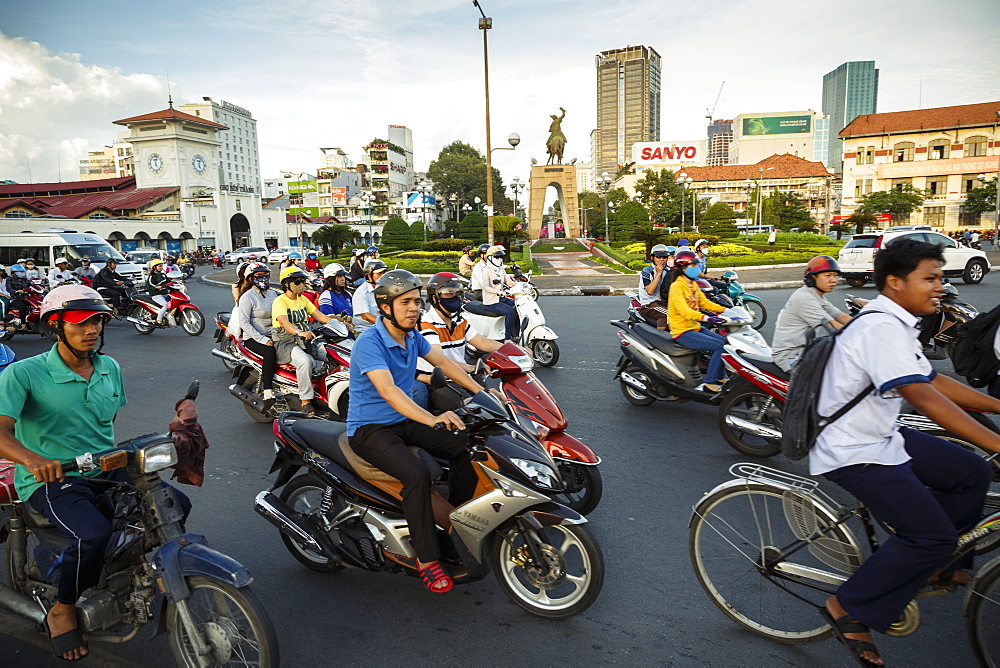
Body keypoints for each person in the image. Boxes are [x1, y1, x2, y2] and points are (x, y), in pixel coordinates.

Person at [811, 237, 1000, 667]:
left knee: (971, 472)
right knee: (931, 534)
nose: (940, 286)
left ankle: (940, 563)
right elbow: (926, 400)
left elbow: (931, 380)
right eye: (930, 278)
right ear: (895, 282)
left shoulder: (896, 323)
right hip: (852, 448)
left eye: (940, 277)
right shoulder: (879, 327)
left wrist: (998, 407)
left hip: (881, 434)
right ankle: (847, 607)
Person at [0, 284, 191, 661]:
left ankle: (126, 568)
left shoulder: (109, 367)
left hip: (102, 468)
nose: (92, 330)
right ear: (55, 327)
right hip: (50, 478)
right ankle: (63, 609)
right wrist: (34, 460)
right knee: (93, 535)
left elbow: (105, 421)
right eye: (80, 323)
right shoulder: (24, 373)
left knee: (175, 505)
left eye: (98, 322)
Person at [347, 269, 484, 593]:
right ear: (385, 306)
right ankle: (427, 557)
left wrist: (483, 394)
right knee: (416, 475)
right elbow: (389, 392)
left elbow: (446, 365)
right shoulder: (370, 342)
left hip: (404, 420)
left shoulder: (412, 337)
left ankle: (458, 522)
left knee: (466, 443)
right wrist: (432, 419)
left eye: (416, 301)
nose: (414, 308)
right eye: (405, 302)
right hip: (370, 428)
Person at [411, 273, 502, 410]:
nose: (455, 297)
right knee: (474, 410)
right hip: (440, 382)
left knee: (499, 402)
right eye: (448, 293)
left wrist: (513, 348)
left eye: (458, 292)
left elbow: (482, 342)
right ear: (435, 298)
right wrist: (470, 367)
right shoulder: (426, 324)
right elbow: (439, 361)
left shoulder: (459, 321)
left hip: (463, 377)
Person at [271, 266, 335, 415]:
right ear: (286, 284)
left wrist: (340, 324)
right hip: (286, 342)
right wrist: (300, 332)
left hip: (305, 340)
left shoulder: (302, 299)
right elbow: (283, 322)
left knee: (332, 353)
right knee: (306, 362)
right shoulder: (280, 301)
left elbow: (320, 316)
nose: (302, 285)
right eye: (297, 282)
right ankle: (305, 401)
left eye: (303, 281)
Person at [771, 256, 852, 372]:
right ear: (813, 277)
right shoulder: (804, 298)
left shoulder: (818, 297)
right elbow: (833, 326)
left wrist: (865, 327)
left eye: (835, 275)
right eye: (828, 276)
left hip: (805, 350)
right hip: (791, 355)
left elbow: (841, 316)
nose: (833, 280)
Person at [666, 249, 727, 393]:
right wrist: (706, 317)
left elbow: (705, 303)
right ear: (683, 268)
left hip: (694, 327)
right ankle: (709, 382)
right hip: (682, 331)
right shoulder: (676, 286)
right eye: (693, 266)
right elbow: (684, 310)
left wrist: (726, 310)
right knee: (719, 346)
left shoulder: (692, 284)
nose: (696, 268)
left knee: (727, 343)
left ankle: (719, 377)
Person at [236, 263, 278, 403]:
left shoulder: (272, 293)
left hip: (274, 334)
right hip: (254, 338)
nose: (263, 279)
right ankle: (267, 391)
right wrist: (262, 339)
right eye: (259, 276)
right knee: (270, 351)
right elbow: (244, 323)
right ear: (250, 279)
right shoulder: (247, 297)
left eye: (266, 276)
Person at [471, 245, 519, 342]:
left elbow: (508, 280)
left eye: (500, 257)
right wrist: (498, 291)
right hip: (486, 295)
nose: (499, 259)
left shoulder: (499, 268)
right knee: (510, 311)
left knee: (518, 306)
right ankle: (507, 338)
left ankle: (516, 334)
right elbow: (486, 286)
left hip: (498, 295)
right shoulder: (482, 269)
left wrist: (520, 286)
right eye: (497, 257)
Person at [636, 244, 672, 330]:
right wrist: (658, 273)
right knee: (668, 314)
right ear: (652, 258)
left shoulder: (667, 271)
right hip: (649, 304)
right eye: (658, 257)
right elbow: (650, 291)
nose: (661, 260)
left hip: (663, 302)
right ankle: (659, 339)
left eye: (664, 257)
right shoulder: (647, 271)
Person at [352, 259, 388, 333]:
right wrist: (386, 325)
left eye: (384, 273)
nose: (383, 276)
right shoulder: (361, 293)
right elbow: (366, 316)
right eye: (379, 273)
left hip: (382, 328)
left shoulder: (385, 290)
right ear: (369, 276)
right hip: (365, 330)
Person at [4, 264, 33, 331]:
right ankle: (23, 324)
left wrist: (41, 289)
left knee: (33, 307)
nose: (22, 273)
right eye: (20, 272)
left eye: (23, 272)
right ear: (14, 272)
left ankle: (30, 322)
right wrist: (16, 291)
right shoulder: (9, 279)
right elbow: (9, 289)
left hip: (25, 298)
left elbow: (31, 286)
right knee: (22, 307)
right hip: (15, 299)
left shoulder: (24, 279)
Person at [146, 258, 172, 326]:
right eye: (159, 266)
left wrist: (177, 283)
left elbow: (169, 282)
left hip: (164, 293)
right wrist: (156, 287)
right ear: (154, 267)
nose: (161, 267)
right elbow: (150, 285)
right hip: (156, 294)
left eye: (162, 266)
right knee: (166, 305)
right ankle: (159, 319)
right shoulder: (152, 276)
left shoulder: (163, 274)